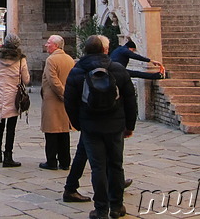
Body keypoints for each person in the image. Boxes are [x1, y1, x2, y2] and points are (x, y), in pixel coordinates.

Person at [64, 35, 137, 219]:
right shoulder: (118, 69)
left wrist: (78, 123)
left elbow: (69, 102)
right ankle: (117, 206)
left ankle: (101, 209)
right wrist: (129, 126)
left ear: (85, 50)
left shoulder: (77, 71)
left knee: (98, 167)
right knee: (115, 165)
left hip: (91, 127)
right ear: (104, 50)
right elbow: (130, 100)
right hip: (115, 126)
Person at [0, 33, 30, 168]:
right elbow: (26, 79)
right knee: (11, 128)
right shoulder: (21, 60)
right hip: (13, 96)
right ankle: (8, 156)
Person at [39, 35, 74, 170]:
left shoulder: (51, 60)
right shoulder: (69, 59)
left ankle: (51, 161)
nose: (46, 45)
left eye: (49, 43)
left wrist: (62, 94)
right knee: (64, 131)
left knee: (52, 131)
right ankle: (65, 161)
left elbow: (53, 81)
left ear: (56, 45)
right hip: (65, 101)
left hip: (54, 100)